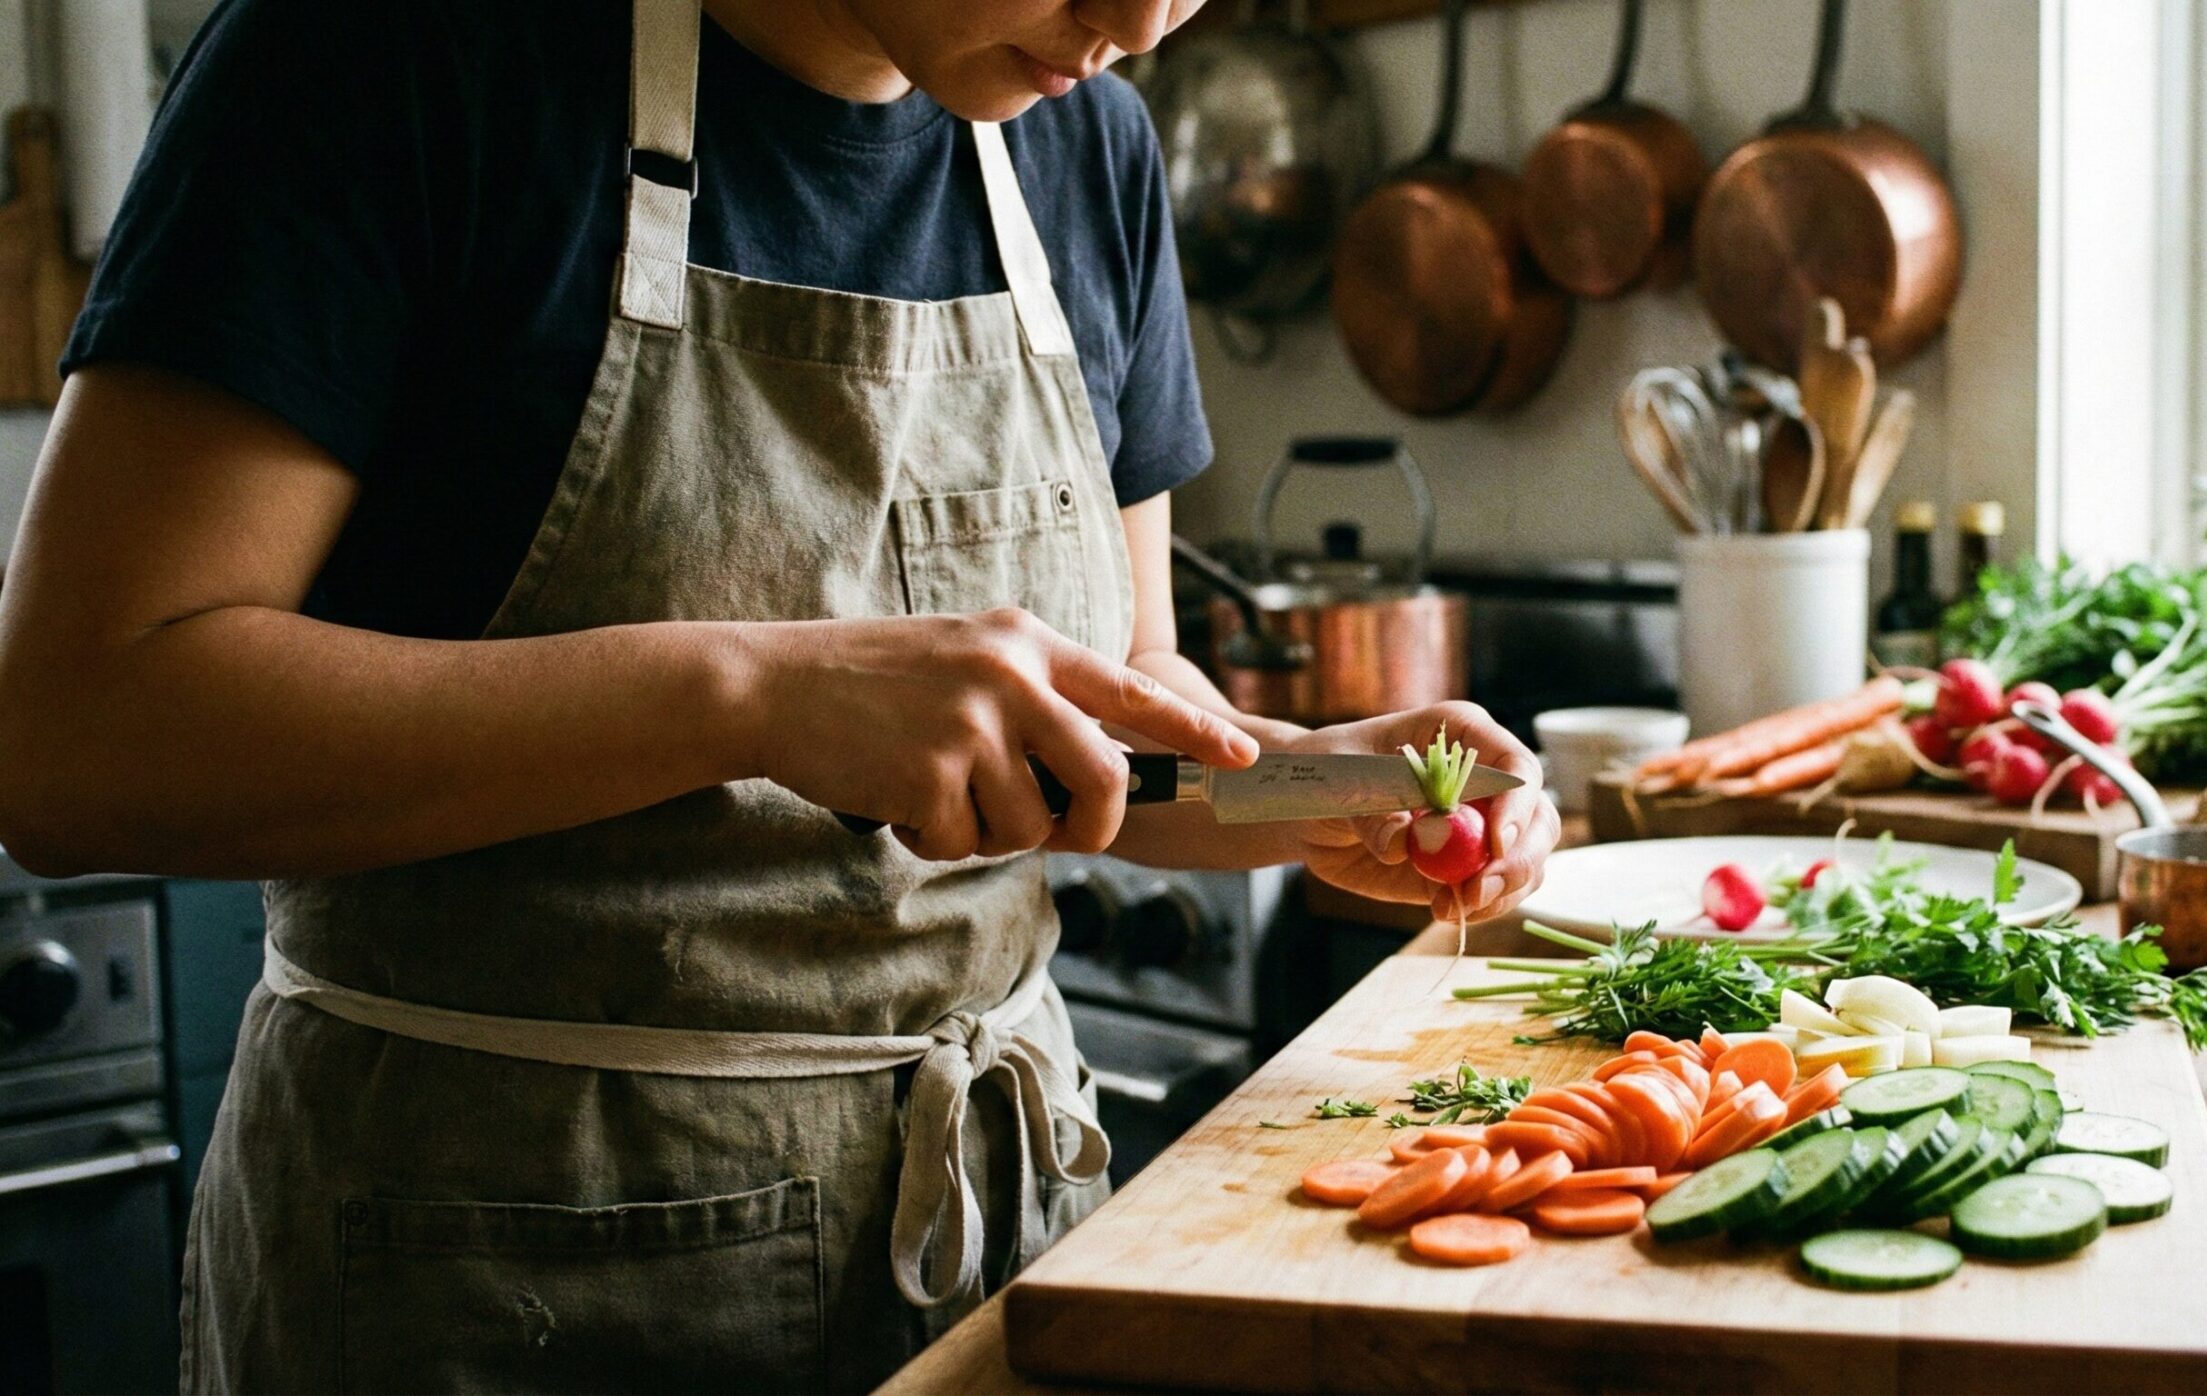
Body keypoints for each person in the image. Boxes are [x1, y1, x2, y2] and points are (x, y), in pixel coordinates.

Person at [0, 0, 1559, 1389]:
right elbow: (78, 739)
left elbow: (1121, 713)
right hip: (488, 1275)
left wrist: (1308, 784)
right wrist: (750, 693)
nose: (1144, 22)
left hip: (986, 1265)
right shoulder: (391, 50)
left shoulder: (1089, 146)